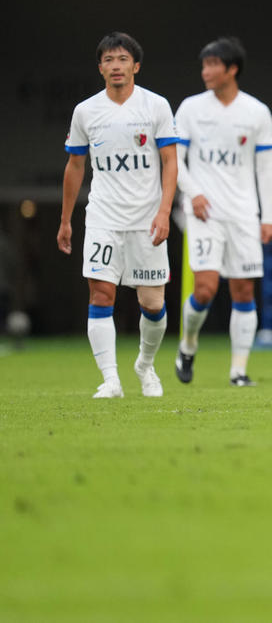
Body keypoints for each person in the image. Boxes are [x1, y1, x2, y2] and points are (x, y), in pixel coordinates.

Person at [57, 32, 178, 398]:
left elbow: (170, 161)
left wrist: (164, 210)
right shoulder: (86, 111)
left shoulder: (156, 106)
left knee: (152, 304)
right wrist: (65, 220)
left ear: (136, 66)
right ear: (100, 68)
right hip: (103, 217)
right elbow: (75, 165)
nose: (115, 66)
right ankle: (110, 379)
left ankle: (145, 364)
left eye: (122, 59)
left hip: (146, 220)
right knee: (100, 295)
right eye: (109, 60)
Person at [172, 37, 272, 387]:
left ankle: (238, 371)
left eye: (212, 65)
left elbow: (265, 170)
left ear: (231, 69)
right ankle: (188, 346)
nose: (205, 71)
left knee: (244, 291)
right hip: (204, 213)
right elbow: (175, 160)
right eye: (204, 65)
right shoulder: (190, 108)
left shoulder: (257, 112)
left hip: (243, 214)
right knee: (204, 289)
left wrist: (268, 218)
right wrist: (194, 193)